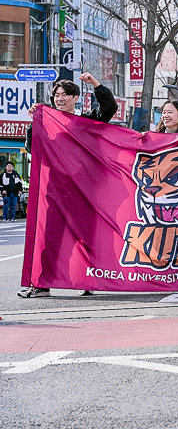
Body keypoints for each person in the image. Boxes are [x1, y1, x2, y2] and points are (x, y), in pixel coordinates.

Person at [20, 73, 118, 298]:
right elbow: (32, 148)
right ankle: (42, 284)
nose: (60, 98)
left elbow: (109, 108)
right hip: (55, 192)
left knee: (87, 239)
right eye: (56, 95)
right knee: (49, 238)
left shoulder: (86, 122)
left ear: (76, 98)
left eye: (65, 95)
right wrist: (34, 122)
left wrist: (95, 84)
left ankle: (89, 281)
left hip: (85, 193)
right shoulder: (47, 123)